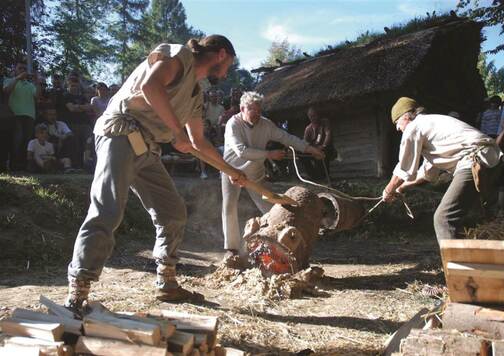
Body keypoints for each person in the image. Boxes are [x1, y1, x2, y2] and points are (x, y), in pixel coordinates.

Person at [65, 35, 245, 312]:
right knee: (108, 210)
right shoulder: (178, 56)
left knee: (172, 212)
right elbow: (151, 86)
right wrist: (175, 131)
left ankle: (167, 282)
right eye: (229, 64)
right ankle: (78, 289)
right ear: (221, 54)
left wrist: (231, 171)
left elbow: (198, 142)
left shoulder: (196, 94)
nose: (227, 71)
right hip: (120, 133)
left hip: (147, 148)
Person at [222, 91, 324, 266]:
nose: (256, 115)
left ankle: (278, 241)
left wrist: (309, 149)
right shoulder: (233, 124)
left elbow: (286, 138)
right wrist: (269, 154)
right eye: (252, 110)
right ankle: (231, 250)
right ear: (242, 109)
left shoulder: (266, 124)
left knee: (268, 206)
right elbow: (241, 151)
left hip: (255, 171)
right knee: (229, 207)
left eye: (259, 111)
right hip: (232, 169)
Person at [382, 97, 502, 242]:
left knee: (443, 218)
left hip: (474, 161)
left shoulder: (414, 127)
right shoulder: (430, 127)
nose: (397, 128)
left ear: (406, 116)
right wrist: (401, 187)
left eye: (397, 122)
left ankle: (453, 263)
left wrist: (388, 190)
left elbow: (404, 167)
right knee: (482, 215)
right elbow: (427, 173)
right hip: (491, 159)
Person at [2, 60, 41, 171]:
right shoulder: (9, 80)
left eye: (24, 69)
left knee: (27, 141)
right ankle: (13, 164)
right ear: (15, 70)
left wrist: (37, 81)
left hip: (29, 116)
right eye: (20, 68)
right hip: (15, 115)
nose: (23, 71)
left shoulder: (30, 85)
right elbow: (6, 91)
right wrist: (18, 78)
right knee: (17, 140)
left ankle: (23, 165)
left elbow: (37, 96)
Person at [62, 75, 93, 168]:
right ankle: (76, 165)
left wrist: (77, 107)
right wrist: (81, 107)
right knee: (75, 145)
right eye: (72, 85)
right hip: (72, 124)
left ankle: (87, 165)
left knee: (88, 144)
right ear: (68, 86)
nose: (74, 87)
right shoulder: (66, 96)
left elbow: (89, 107)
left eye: (76, 85)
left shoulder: (82, 97)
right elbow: (71, 108)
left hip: (84, 124)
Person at [301, 106, 336, 180]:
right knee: (302, 155)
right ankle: (313, 175)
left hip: (326, 149)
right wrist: (309, 149)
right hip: (314, 150)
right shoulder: (308, 129)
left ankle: (325, 176)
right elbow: (305, 142)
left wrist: (323, 145)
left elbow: (328, 134)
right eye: (310, 116)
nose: (312, 118)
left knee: (322, 153)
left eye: (314, 115)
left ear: (318, 115)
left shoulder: (325, 122)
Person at [42, 105, 74, 171]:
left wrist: (62, 138)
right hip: (49, 148)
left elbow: (70, 133)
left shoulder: (61, 124)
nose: (52, 117)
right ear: (45, 116)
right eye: (50, 114)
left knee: (70, 139)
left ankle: (69, 164)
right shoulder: (42, 126)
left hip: (62, 147)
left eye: (54, 114)